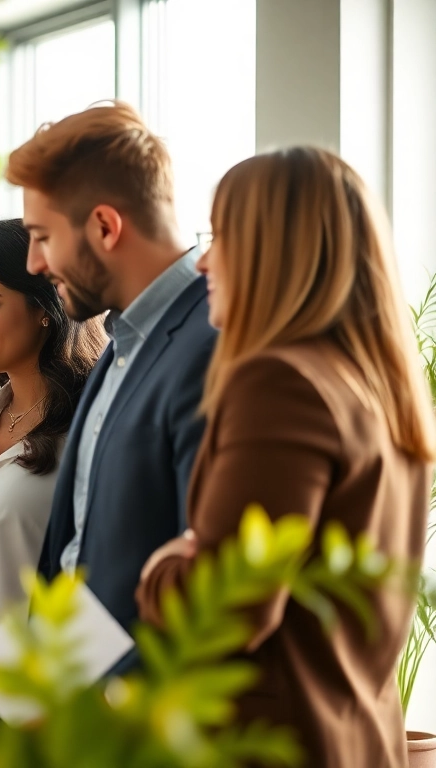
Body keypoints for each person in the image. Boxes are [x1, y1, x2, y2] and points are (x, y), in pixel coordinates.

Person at [136, 147, 436, 767]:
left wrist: (163, 566)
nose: (205, 260)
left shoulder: (278, 382)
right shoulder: (376, 390)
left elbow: (227, 607)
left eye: (223, 236)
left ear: (279, 251)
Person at [10, 102, 217, 670]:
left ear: (104, 226)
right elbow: (81, 556)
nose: (32, 262)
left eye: (42, 236)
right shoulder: (121, 345)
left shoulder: (211, 348)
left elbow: (200, 588)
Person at [0, 219, 105, 726]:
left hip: (46, 714)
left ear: (45, 309)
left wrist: (32, 698)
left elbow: (109, 579)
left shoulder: (88, 431)